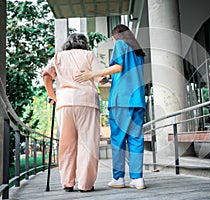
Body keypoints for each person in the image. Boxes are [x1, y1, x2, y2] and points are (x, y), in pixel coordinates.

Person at [74, 24, 146, 189]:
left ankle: (119, 178)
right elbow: (127, 75)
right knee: (135, 139)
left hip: (121, 101)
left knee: (118, 140)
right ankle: (137, 178)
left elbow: (118, 67)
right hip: (137, 100)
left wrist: (92, 74)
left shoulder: (120, 44)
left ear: (116, 36)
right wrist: (109, 79)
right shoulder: (138, 53)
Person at [42, 33, 105, 192]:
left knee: (66, 144)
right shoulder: (89, 55)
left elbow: (46, 75)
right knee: (88, 144)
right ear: (84, 44)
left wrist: (52, 95)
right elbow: (101, 78)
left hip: (65, 103)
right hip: (87, 102)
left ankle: (68, 183)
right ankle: (85, 185)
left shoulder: (59, 56)